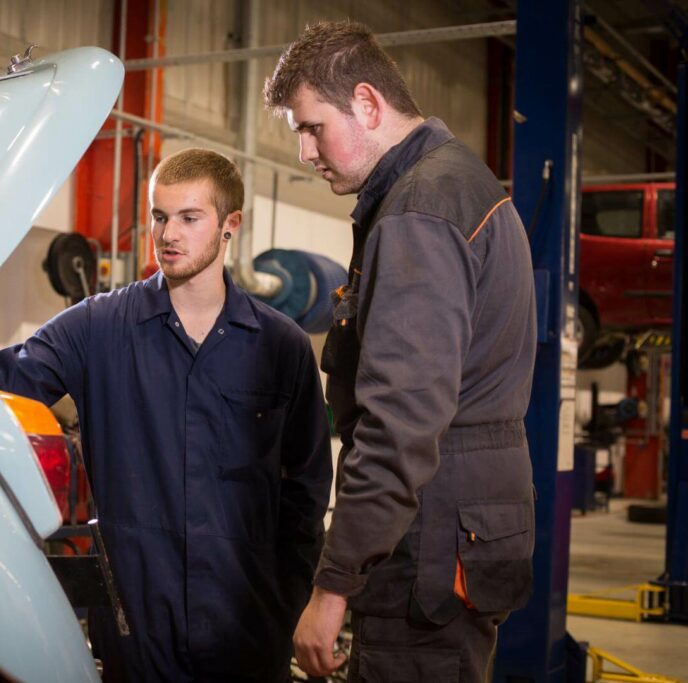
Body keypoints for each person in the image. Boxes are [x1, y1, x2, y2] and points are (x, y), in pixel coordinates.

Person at [0, 148, 332, 681]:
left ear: (231, 225)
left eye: (189, 217)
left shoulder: (281, 346)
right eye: (159, 216)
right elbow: (1, 377)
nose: (169, 234)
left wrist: (287, 600)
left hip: (248, 631)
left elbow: (307, 488)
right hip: (138, 631)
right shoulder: (100, 327)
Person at [262, 20, 537, 682]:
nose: (304, 152)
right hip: (465, 526)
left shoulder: (418, 210)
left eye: (311, 127)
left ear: (366, 102)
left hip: (426, 542)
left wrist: (333, 586)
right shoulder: (463, 183)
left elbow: (400, 424)